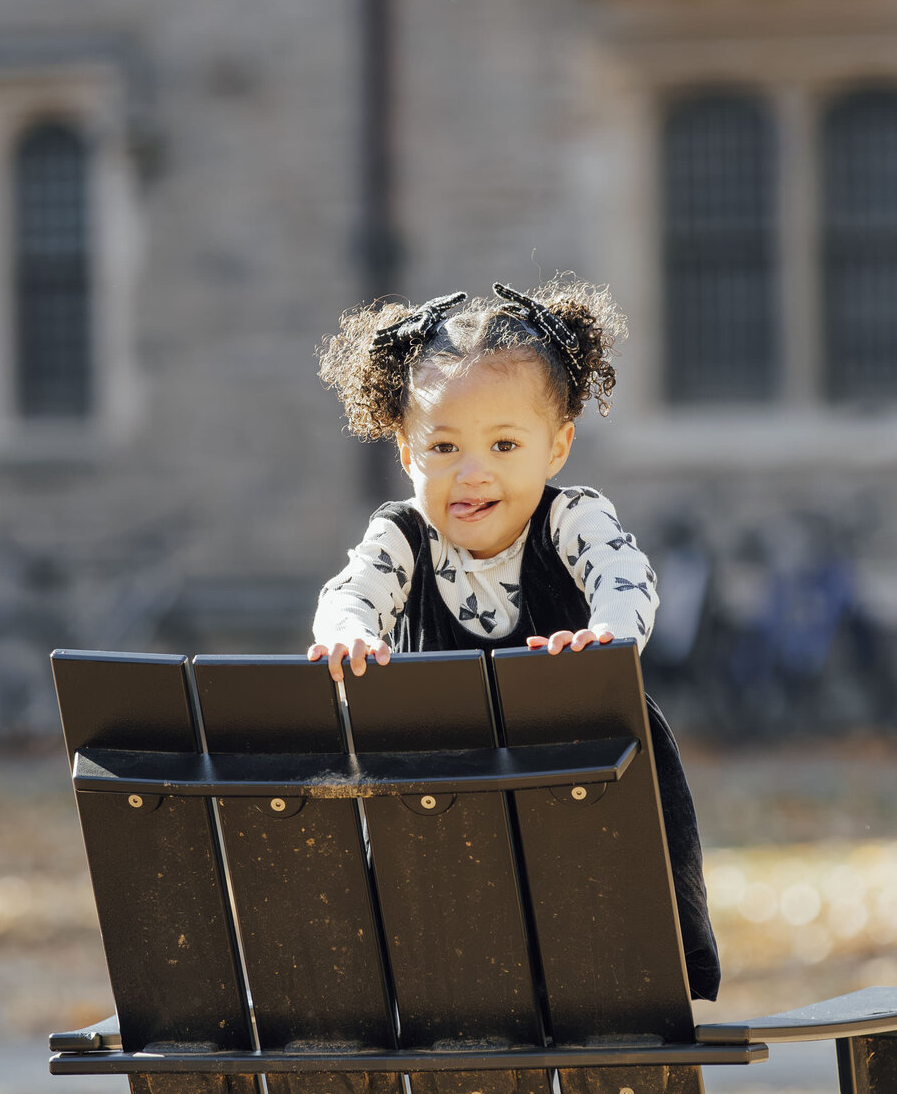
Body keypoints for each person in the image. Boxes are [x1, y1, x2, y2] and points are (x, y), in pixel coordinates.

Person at [308, 279, 720, 1000]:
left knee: (590, 960)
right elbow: (351, 594)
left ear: (556, 446)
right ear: (406, 450)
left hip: (581, 797)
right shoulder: (403, 535)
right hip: (454, 812)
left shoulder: (573, 519)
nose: (474, 472)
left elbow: (627, 580)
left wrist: (606, 640)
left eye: (505, 443)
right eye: (443, 445)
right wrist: (349, 635)